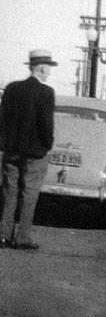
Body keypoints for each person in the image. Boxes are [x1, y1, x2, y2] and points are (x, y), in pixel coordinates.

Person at [0, 49, 57, 249]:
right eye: (48, 69)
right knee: (29, 194)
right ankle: (22, 237)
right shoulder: (47, 93)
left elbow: (3, 118)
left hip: (11, 150)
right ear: (41, 68)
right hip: (36, 152)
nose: (49, 72)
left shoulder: (12, 88)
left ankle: (3, 235)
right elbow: (46, 124)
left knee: (9, 192)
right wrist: (48, 145)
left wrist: (4, 144)